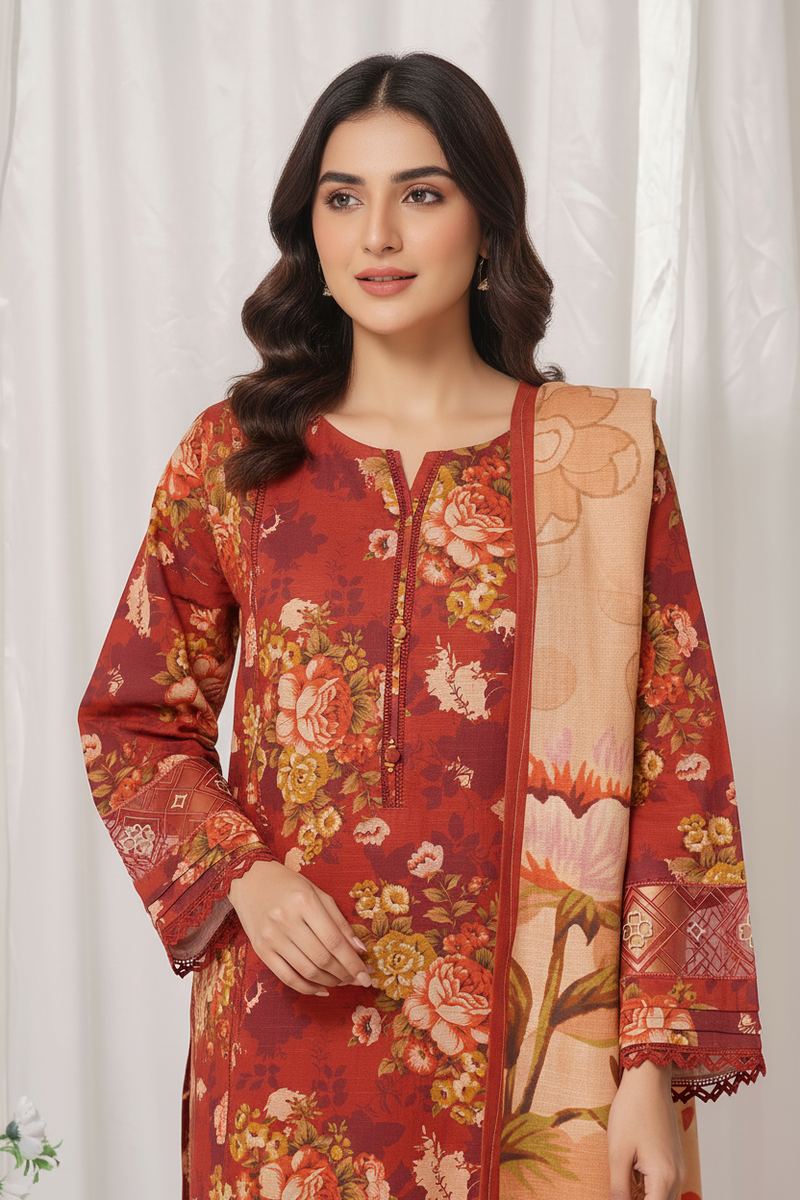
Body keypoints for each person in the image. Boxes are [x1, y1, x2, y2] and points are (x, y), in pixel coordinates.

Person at [78, 52, 764, 1200]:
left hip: (539, 1056)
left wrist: (647, 1067)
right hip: (284, 1051)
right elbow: (131, 719)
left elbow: (676, 768)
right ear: (309, 228)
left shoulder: (595, 461)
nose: (378, 234)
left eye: (422, 193)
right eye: (343, 197)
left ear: (486, 225)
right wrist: (243, 877)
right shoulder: (236, 456)